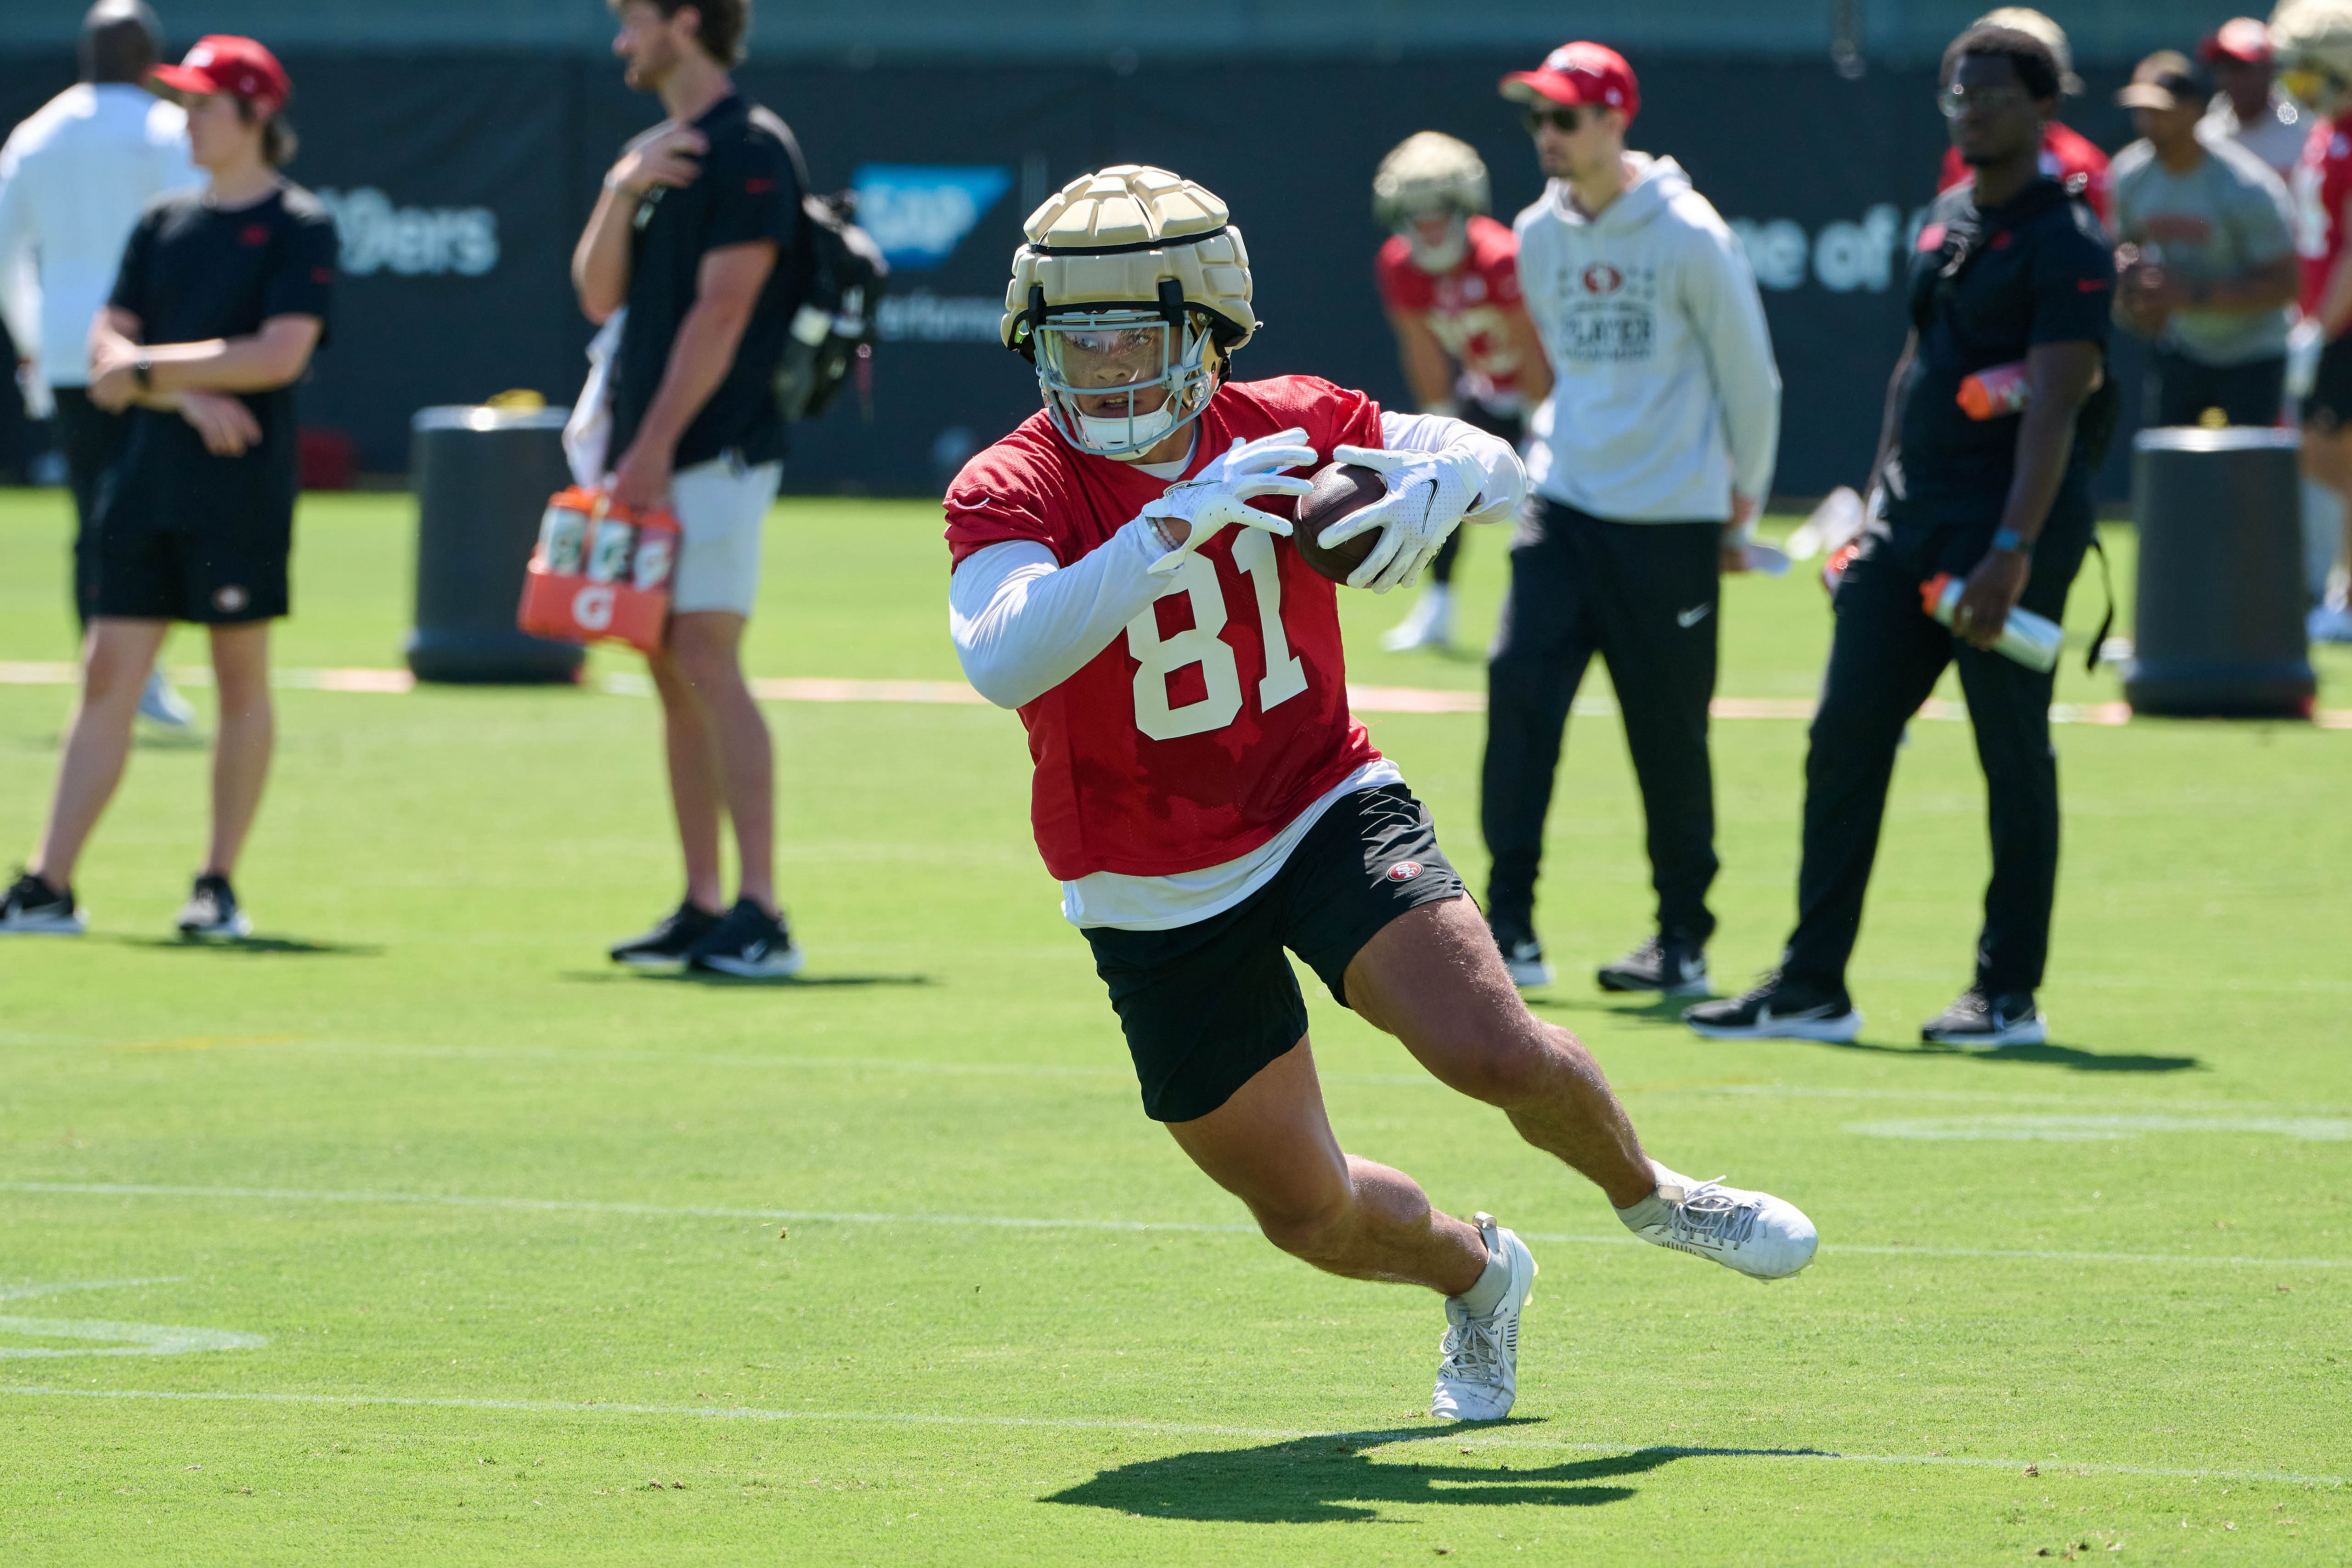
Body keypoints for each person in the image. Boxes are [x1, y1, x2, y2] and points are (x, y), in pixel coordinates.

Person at [944, 164, 1817, 1421]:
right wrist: (1169, 527)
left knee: (1489, 1045)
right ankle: (1479, 1271)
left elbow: (1492, 451)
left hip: (1316, 799)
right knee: (1304, 1209)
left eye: (1135, 334)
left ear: (1208, 331)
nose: (1107, 369)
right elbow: (1002, 652)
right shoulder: (1013, 482)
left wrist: (1440, 485)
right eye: (1077, 343)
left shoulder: (1284, 420)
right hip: (1144, 873)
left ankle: (1652, 1189)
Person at [1686, 23, 2115, 1049]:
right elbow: (1915, 370)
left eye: (1991, 96)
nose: (1969, 111)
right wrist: (1879, 498)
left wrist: (2011, 549)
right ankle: (1812, 987)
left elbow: (2055, 407)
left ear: (2041, 108)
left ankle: (2005, 995)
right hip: (1909, 521)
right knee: (1842, 740)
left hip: (2005, 533)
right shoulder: (1944, 219)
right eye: (1956, 95)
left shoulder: (2068, 240)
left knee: (2011, 757)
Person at [0, 34, 333, 939]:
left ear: (255, 117)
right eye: (181, 105)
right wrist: (184, 394)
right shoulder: (160, 223)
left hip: (240, 488)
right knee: (108, 669)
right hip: (143, 477)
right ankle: (47, 884)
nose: (184, 123)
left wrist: (154, 374)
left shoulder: (300, 225)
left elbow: (280, 354)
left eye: (202, 106)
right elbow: (106, 349)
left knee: (238, 674)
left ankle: (216, 884)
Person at [1484, 42, 1781, 998]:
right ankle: (1506, 927)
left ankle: (1681, 939)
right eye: (1537, 118)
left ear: (1618, 123)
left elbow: (1751, 381)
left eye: (1565, 118)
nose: (1547, 136)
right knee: (1518, 696)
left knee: (1667, 734)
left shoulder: (1689, 234)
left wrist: (1741, 507)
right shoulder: (1535, 233)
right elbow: (1566, 371)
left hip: (1671, 526)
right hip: (1561, 505)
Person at [572, 0, 807, 976]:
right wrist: (620, 189)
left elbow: (723, 314)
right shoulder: (655, 153)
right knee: (666, 662)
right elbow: (595, 294)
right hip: (654, 448)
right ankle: (701, 902)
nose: (622, 38)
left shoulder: (750, 146)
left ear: (685, 19)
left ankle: (762, 912)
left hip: (714, 449)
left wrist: (655, 445)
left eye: (634, 18)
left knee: (708, 652)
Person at [0, 0, 201, 732]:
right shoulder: (165, 130)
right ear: (147, 57)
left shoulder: (35, 133)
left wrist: (34, 336)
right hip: (145, 353)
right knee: (142, 511)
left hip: (63, 351)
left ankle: (116, 672)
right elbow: (193, 235)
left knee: (95, 514)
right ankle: (130, 674)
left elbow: (6, 255)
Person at [1370, 132, 1551, 653]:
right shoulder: (1400, 265)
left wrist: (1542, 427)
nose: (1427, 222)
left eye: (1440, 208)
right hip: (1487, 389)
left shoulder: (1499, 258)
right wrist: (1439, 419)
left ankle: (1540, 618)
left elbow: (1533, 350)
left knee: (1550, 515)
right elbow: (1423, 349)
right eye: (1416, 210)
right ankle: (1439, 611)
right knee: (1439, 488)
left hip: (1551, 395)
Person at [2110, 50, 2298, 429]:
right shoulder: (2129, 175)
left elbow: (2285, 285)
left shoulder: (2246, 187)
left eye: (2160, 111)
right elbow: (2124, 245)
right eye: (2140, 111)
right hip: (2182, 349)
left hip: (2254, 355)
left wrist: (2190, 294)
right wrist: (2130, 274)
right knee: (2171, 474)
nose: (2147, 122)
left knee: (2249, 478)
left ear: (2194, 110)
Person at [2278, 0, 2352, 643]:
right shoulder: (2325, 131)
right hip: (2322, 318)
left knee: (2335, 456)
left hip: (2342, 325)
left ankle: (2346, 591)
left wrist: (2317, 327)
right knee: (2321, 454)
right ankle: (2340, 587)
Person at [1935, 8, 2112, 227]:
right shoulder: (1964, 154)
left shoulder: (2082, 162)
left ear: (2047, 102)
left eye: (1992, 97)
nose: (1973, 114)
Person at [2202, 17, 2309, 183]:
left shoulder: (2302, 131)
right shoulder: (2206, 137)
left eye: (2242, 68)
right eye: (2224, 68)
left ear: (2269, 70)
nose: (2232, 79)